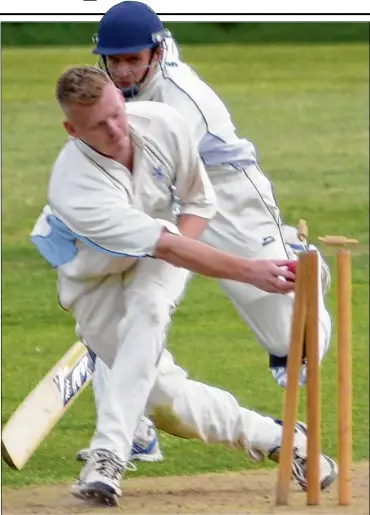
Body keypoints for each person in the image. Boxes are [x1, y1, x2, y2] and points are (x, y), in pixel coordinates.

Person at [29, 66, 333, 507]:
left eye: (118, 112)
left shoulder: (163, 123)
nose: (117, 129)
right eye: (99, 125)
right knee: (164, 399)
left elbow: (198, 204)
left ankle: (108, 454)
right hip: (92, 279)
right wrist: (250, 270)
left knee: (149, 311)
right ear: (72, 130)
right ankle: (282, 440)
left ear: (121, 98)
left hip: (167, 247)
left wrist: (189, 261)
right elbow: (163, 246)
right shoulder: (74, 186)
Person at [76, 0, 332, 464]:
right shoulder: (106, 91)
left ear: (155, 53)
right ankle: (131, 428)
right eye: (114, 60)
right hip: (168, 199)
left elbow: (157, 167)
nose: (123, 70)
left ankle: (303, 263)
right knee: (133, 305)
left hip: (232, 198)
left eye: (132, 59)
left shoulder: (179, 95)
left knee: (294, 346)